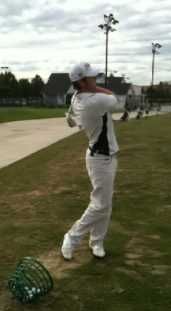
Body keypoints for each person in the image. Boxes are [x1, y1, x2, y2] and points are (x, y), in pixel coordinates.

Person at [61, 62, 119, 260]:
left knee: (105, 203)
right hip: (100, 159)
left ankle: (97, 242)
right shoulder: (93, 101)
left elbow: (71, 117)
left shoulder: (78, 97)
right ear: (83, 82)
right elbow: (113, 97)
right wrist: (94, 88)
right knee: (100, 205)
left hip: (104, 156)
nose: (96, 80)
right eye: (92, 78)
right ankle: (72, 236)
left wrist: (88, 86)